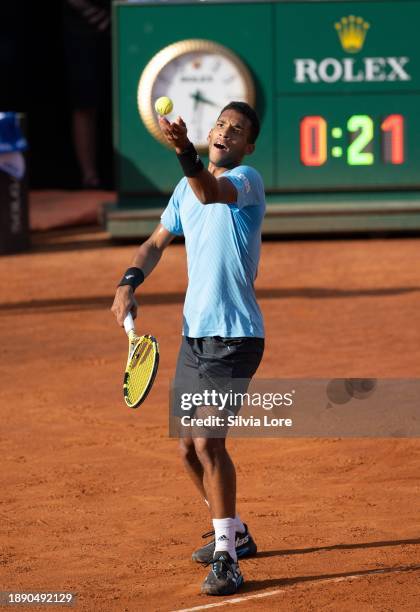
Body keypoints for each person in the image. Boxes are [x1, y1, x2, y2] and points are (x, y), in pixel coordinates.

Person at [111, 101, 265, 596]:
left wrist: (184, 153)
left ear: (247, 146)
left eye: (236, 130)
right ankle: (234, 533)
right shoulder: (184, 189)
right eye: (221, 124)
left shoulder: (245, 181)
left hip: (235, 337)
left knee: (207, 442)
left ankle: (227, 559)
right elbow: (155, 242)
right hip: (194, 336)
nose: (225, 132)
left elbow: (209, 189)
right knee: (186, 451)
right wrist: (128, 282)